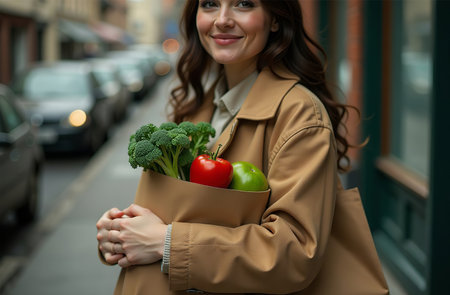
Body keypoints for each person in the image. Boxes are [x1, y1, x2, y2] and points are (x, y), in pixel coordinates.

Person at [96, 1, 386, 294]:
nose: (222, 19)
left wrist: (165, 242)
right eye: (210, 4)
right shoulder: (197, 105)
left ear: (274, 19)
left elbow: (295, 251)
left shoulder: (299, 115)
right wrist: (122, 233)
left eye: (243, 4)